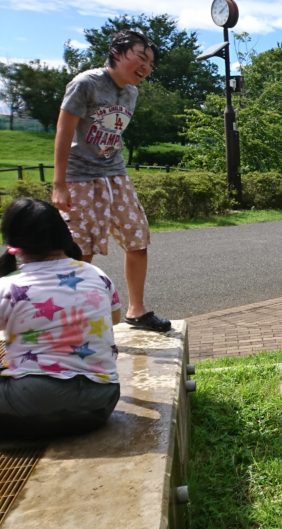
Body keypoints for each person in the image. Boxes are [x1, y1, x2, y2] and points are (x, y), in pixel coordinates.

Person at [51, 29, 170, 332]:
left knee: (137, 237)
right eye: (141, 57)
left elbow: (112, 133)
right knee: (81, 248)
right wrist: (59, 184)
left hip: (115, 173)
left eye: (150, 63)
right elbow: (64, 131)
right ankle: (74, 319)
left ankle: (137, 311)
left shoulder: (131, 93)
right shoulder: (86, 83)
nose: (146, 67)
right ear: (117, 52)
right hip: (80, 176)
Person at [0, 198, 121, 438]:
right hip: (101, 401)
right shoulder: (97, 275)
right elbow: (115, 318)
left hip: (32, 399)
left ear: (14, 244)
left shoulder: (8, 287)